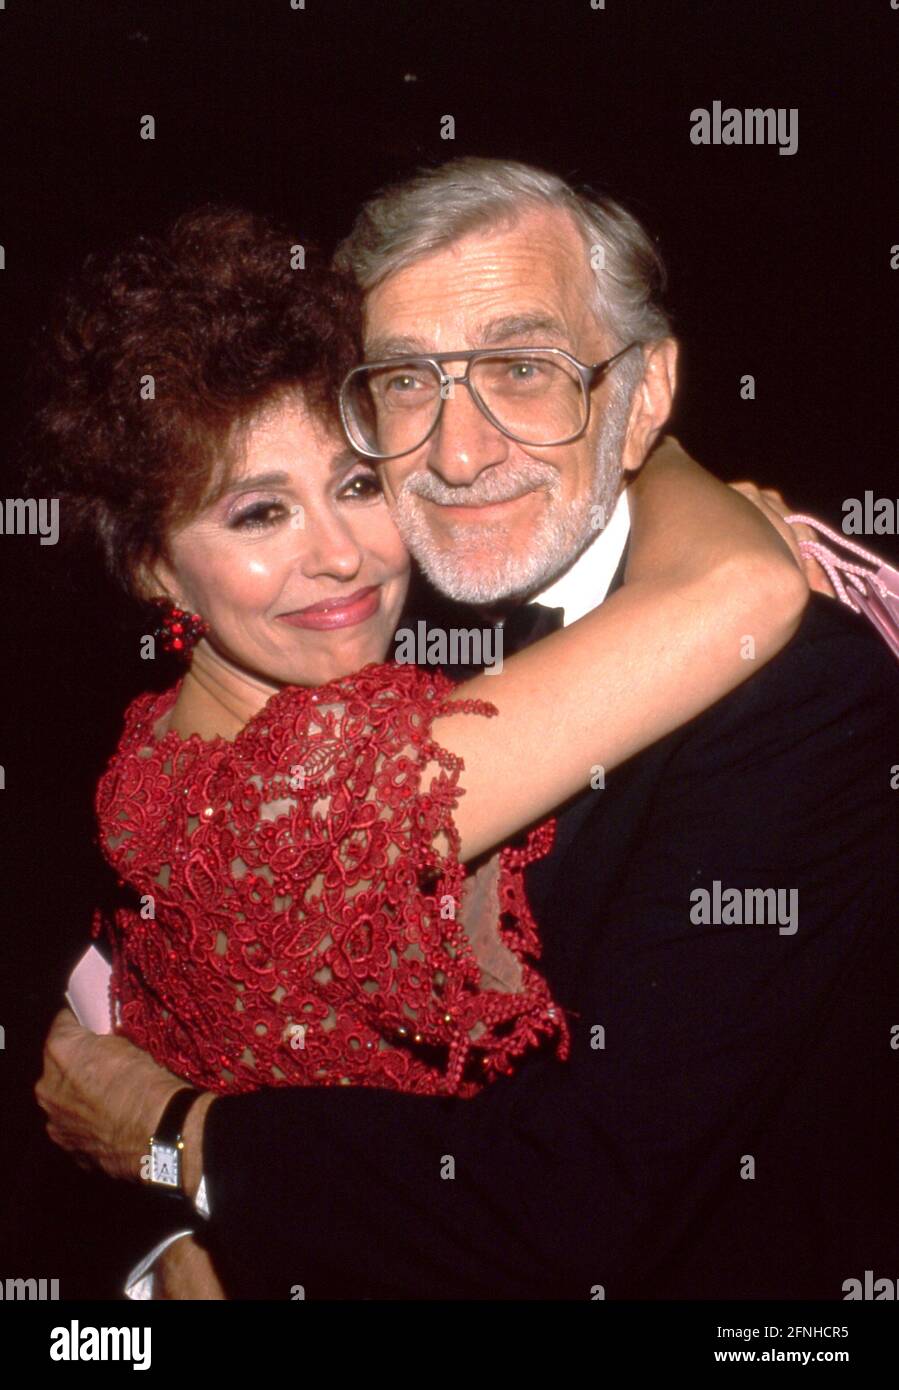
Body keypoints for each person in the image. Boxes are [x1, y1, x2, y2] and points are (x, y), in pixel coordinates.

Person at [38, 160, 897, 1301]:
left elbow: (586, 1205)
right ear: (155, 568)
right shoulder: (312, 760)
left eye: (522, 369)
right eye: (405, 382)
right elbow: (729, 593)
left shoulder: (798, 701)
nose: (452, 454)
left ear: (638, 392)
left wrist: (179, 1149)